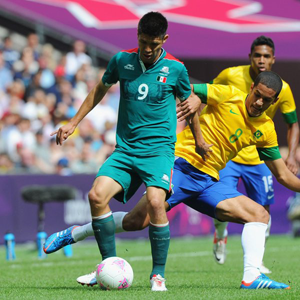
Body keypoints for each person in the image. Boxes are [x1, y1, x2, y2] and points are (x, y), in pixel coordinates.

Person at [44, 71, 300, 290]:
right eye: (257, 94)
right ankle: (75, 234)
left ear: (274, 100)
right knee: (136, 222)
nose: (258, 102)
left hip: (209, 181)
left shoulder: (266, 129)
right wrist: (196, 99)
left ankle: (252, 276)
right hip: (180, 166)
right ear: (252, 87)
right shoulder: (228, 93)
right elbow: (187, 90)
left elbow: (282, 174)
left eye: (266, 100)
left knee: (259, 215)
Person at [45, 12, 205, 292]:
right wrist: (73, 123)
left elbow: (191, 104)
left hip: (158, 151)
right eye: (142, 42)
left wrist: (200, 139)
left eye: (153, 44)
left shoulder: (176, 68)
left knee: (155, 203)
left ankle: (158, 276)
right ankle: (109, 265)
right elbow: (99, 89)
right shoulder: (121, 60)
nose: (146, 49)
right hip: (126, 149)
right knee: (96, 195)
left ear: (164, 40)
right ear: (137, 35)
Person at [209, 36, 299, 273]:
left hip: (259, 157)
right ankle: (220, 234)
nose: (261, 60)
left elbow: (293, 124)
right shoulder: (230, 75)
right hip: (229, 153)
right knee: (221, 203)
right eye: (257, 55)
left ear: (273, 59)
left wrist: (291, 154)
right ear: (250, 57)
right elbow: (209, 95)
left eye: (266, 56)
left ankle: (256, 262)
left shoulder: (283, 88)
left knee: (264, 212)